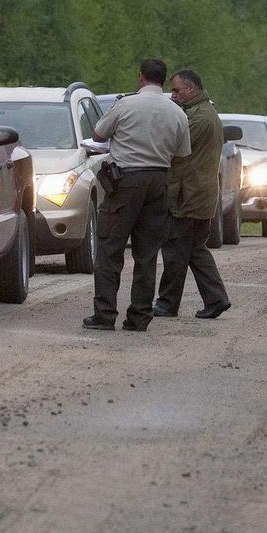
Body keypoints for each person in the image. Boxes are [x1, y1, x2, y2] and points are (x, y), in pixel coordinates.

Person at [83, 58, 191, 332]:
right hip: (158, 181)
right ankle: (140, 315)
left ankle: (105, 314)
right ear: (164, 81)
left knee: (110, 248)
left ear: (141, 77)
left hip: (126, 180)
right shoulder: (177, 112)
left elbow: (98, 133)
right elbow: (182, 153)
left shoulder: (126, 104)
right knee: (147, 253)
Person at [154, 69, 231, 320]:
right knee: (195, 249)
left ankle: (168, 303)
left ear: (191, 89)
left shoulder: (198, 118)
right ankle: (216, 298)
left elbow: (174, 150)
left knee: (177, 249)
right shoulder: (205, 113)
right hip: (200, 193)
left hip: (189, 194)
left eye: (177, 90)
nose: (173, 95)